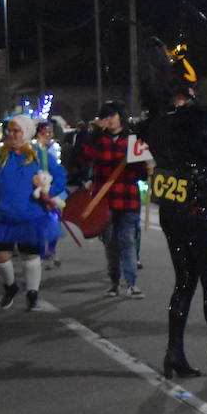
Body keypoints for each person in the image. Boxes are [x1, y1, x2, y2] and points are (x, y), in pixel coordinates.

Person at [138, 40, 207, 380]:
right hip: (196, 208)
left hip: (171, 212)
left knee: (183, 282)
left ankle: (174, 352)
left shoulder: (155, 124)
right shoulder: (193, 122)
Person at [0, 115, 65, 311]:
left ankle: (33, 294)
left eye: (16, 130)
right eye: (9, 130)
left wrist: (48, 193)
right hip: (3, 216)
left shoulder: (40, 155)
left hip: (32, 215)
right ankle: (11, 286)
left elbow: (59, 176)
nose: (11, 134)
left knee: (30, 255)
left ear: (26, 133)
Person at [80, 101, 148, 298]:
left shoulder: (134, 140)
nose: (108, 120)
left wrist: (142, 166)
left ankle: (131, 283)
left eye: (111, 115)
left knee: (127, 241)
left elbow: (142, 172)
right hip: (104, 200)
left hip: (127, 198)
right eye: (104, 117)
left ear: (120, 116)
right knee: (110, 242)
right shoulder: (99, 141)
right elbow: (84, 159)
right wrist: (93, 135)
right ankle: (114, 282)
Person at [32, 120, 66, 265]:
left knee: (54, 221)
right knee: (40, 225)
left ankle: (50, 250)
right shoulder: (33, 150)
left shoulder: (52, 149)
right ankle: (40, 253)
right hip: (37, 193)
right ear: (39, 132)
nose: (50, 135)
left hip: (53, 191)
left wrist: (53, 191)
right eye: (47, 132)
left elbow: (59, 173)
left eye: (51, 132)